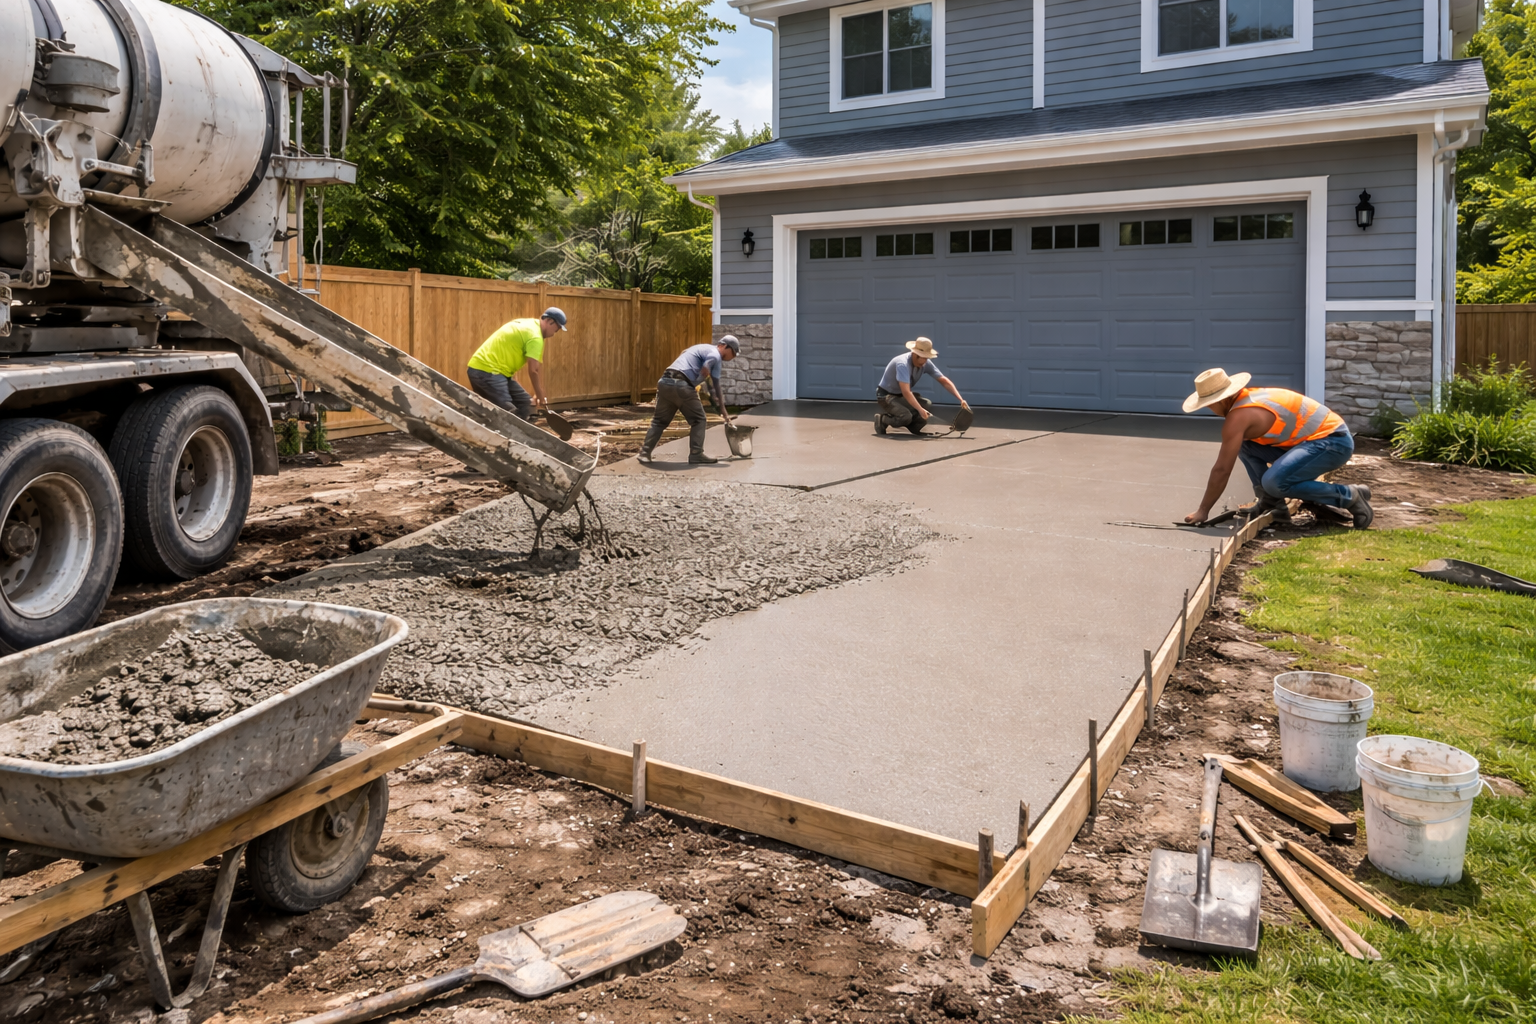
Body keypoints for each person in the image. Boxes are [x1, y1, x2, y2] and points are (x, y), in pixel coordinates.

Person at [1181, 367, 1373, 528]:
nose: (1211, 410)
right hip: (1313, 441)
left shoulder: (1238, 417)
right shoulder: (1249, 397)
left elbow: (1222, 469)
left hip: (1333, 443)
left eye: (1208, 406)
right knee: (1246, 446)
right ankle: (1272, 503)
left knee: (1274, 482)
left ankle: (1349, 496)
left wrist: (1203, 511)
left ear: (1220, 400)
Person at [638, 336, 739, 464]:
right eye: (734, 353)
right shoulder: (716, 354)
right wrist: (706, 369)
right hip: (681, 385)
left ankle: (644, 453)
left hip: (665, 382)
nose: (733, 357)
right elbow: (714, 378)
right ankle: (696, 454)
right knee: (699, 420)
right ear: (724, 346)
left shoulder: (700, 348)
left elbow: (684, 353)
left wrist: (719, 405)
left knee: (659, 421)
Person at [465, 307, 567, 420]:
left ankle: (523, 434)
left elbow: (533, 364)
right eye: (556, 329)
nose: (554, 334)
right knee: (507, 412)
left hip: (499, 373)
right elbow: (533, 370)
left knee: (526, 405)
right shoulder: (535, 337)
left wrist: (537, 392)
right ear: (549, 321)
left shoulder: (530, 324)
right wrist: (539, 395)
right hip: (485, 371)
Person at [874, 337, 969, 435]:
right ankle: (883, 420)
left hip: (900, 396)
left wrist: (961, 399)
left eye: (927, 357)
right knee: (906, 416)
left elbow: (944, 381)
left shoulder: (925, 363)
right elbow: (906, 392)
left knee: (926, 404)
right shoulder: (902, 364)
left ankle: (913, 426)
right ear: (915, 354)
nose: (925, 361)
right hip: (886, 396)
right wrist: (920, 410)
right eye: (923, 357)